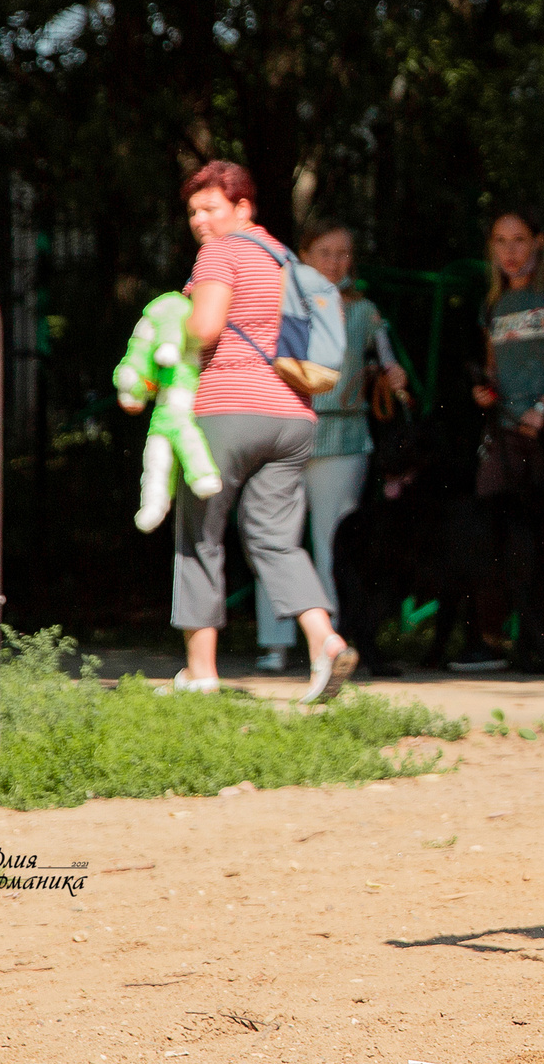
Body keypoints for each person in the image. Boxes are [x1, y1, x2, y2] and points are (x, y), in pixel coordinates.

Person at [161, 161, 357, 700]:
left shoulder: (221, 252)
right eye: (193, 211)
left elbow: (205, 327)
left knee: (200, 536)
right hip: (293, 416)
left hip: (228, 410)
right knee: (276, 540)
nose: (200, 220)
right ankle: (325, 641)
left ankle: (201, 673)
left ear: (243, 208)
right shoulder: (285, 258)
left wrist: (164, 337)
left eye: (210, 208)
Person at [249, 222, 409, 673]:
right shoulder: (280, 303)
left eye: (343, 253)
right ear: (303, 255)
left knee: (333, 544)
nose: (336, 262)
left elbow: (388, 363)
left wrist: (391, 376)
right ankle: (275, 642)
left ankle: (329, 644)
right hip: (285, 433)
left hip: (343, 437)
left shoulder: (365, 311)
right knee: (277, 538)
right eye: (325, 252)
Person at [450, 208, 544, 676]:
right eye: (500, 241)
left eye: (518, 240)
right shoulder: (493, 304)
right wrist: (486, 390)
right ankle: (489, 640)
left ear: (538, 242)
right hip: (505, 437)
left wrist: (543, 408)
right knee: (489, 533)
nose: (509, 251)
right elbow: (496, 369)